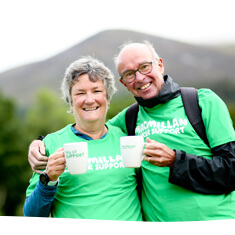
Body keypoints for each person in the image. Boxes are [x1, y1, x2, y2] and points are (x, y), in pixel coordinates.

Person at [28, 41, 235, 221]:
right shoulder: (129, 119)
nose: (139, 77)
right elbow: (91, 125)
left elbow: (232, 169)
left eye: (144, 67)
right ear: (124, 83)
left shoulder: (200, 102)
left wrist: (175, 159)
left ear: (159, 64)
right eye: (129, 74)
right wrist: (40, 145)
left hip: (217, 224)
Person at [23, 56, 142, 221]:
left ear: (107, 98)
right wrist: (49, 179)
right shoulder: (51, 144)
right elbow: (32, 217)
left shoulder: (127, 138)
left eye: (96, 91)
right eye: (80, 93)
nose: (89, 99)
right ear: (70, 103)